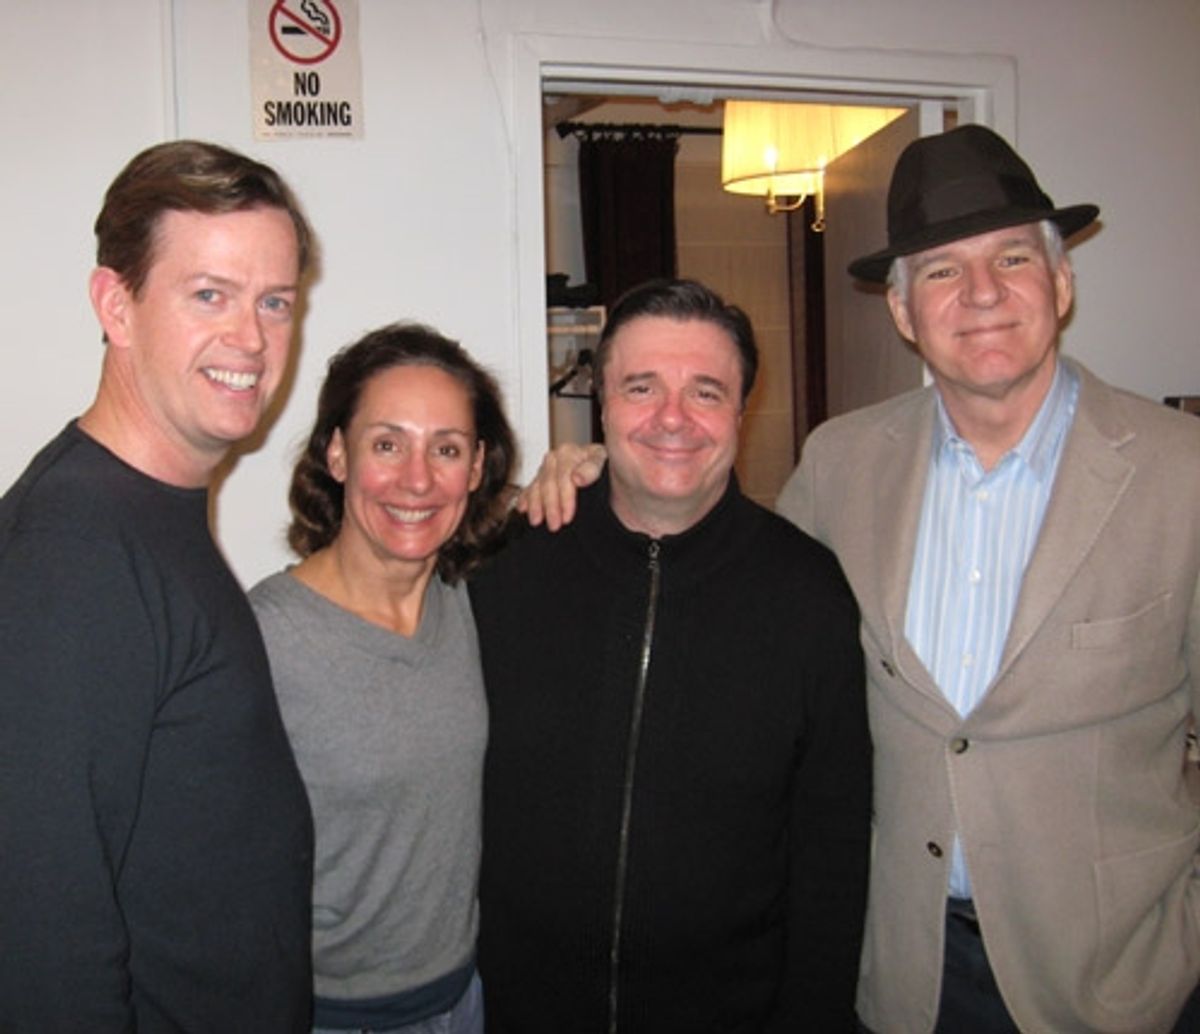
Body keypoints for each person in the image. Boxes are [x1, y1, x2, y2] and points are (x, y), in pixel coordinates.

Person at [524, 126, 1200, 1032]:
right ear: (904, 311)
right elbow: (725, 577)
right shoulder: (843, 462)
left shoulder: (1181, 474)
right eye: (942, 272)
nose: (983, 294)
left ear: (1063, 281)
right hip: (900, 971)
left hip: (1116, 984)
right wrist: (598, 471)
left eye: (1009, 258)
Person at [470, 277, 872, 1033]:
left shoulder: (809, 594)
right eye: (642, 386)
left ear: (742, 411)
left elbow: (832, 854)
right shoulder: (505, 565)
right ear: (603, 406)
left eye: (707, 392)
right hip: (517, 1010)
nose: (673, 419)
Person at [0, 140, 315, 1030]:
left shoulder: (152, 514)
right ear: (117, 306)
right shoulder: (73, 554)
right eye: (209, 295)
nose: (251, 339)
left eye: (274, 302)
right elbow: (39, 940)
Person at [249, 323, 517, 1034]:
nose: (419, 479)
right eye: (387, 443)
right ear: (337, 452)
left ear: (477, 465)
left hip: (462, 1001)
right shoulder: (267, 639)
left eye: (447, 449)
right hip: (328, 1015)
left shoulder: (468, 596)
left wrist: (582, 464)